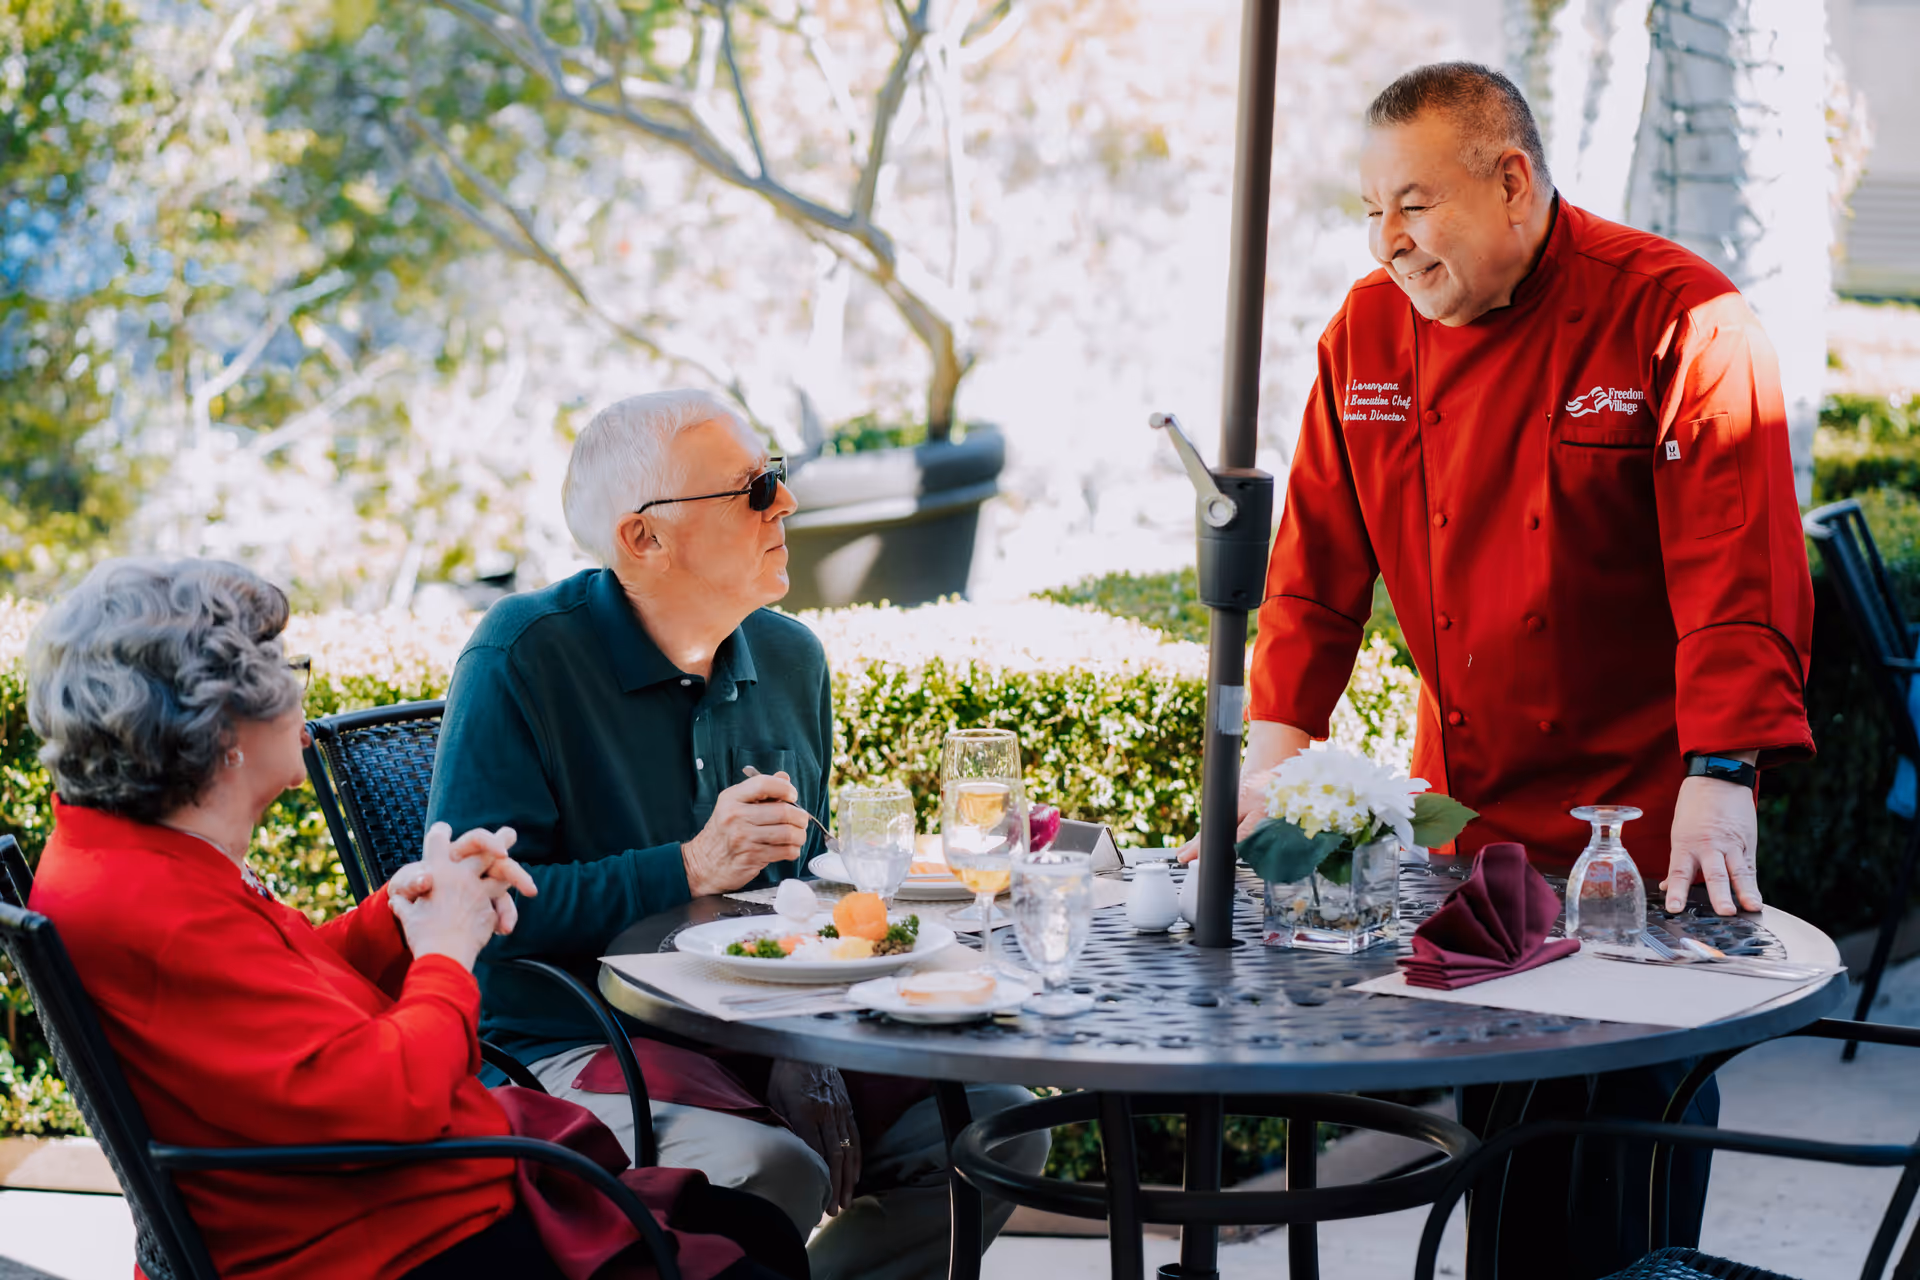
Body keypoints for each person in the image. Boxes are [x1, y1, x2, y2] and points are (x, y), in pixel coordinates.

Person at [1213, 62, 1815, 1277]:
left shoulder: (1681, 318)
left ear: (1512, 180)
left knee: (1617, 1150)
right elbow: (1313, 578)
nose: (1388, 241)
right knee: (1504, 1148)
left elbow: (1734, 572)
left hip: (1638, 834)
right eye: (1372, 208)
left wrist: (1725, 771)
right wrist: (1266, 763)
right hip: (1472, 826)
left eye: (1416, 204)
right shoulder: (1366, 335)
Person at [25, 557, 809, 1280]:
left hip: (360, 1205)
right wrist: (444, 953)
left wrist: (394, 921)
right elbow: (391, 1102)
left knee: (754, 1228)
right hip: (390, 1238)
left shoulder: (123, 861)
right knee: (756, 1249)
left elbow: (270, 994)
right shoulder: (161, 910)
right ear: (220, 729)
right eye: (283, 669)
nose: (300, 693)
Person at [426, 389, 1048, 1280]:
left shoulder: (793, 658)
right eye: (754, 489)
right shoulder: (523, 655)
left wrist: (835, 1001)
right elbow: (477, 906)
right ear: (644, 539)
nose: (786, 503)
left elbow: (808, 894)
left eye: (779, 479)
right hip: (573, 1041)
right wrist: (684, 866)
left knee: (1000, 1127)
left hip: (763, 1024)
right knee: (769, 1171)